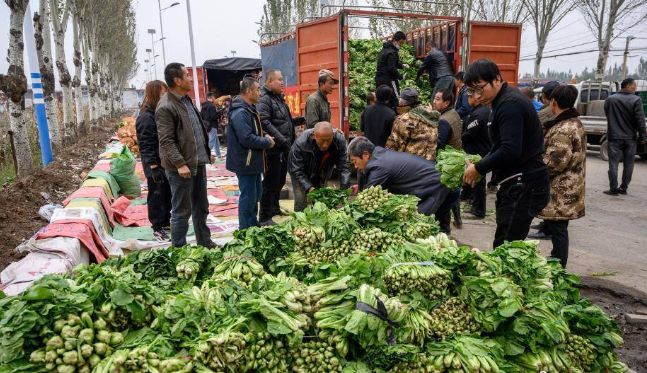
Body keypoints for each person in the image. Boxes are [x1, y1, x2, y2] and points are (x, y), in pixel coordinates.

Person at [462, 59, 550, 249]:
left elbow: (510, 150)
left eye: (479, 89)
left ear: (496, 80)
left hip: (525, 183)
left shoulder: (510, 104)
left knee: (506, 246)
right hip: (517, 182)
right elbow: (499, 145)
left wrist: (478, 168)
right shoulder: (499, 102)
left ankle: (509, 279)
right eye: (472, 91)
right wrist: (480, 165)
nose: (476, 97)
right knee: (506, 238)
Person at [156, 63, 218, 248]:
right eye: (187, 75)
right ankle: (179, 250)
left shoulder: (186, 100)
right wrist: (180, 164)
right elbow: (166, 141)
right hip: (180, 169)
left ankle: (204, 242)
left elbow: (195, 130)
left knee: (201, 207)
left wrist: (205, 153)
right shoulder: (166, 106)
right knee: (182, 211)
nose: (190, 78)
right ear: (177, 80)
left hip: (197, 163)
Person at [532, 84, 586, 267]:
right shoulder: (574, 123)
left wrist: (535, 169)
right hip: (569, 184)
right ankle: (556, 258)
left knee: (559, 228)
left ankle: (559, 264)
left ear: (553, 102)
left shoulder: (564, 129)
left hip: (562, 188)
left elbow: (555, 163)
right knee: (558, 227)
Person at [349, 136, 460, 221]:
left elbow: (366, 199)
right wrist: (360, 187)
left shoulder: (378, 166)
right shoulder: (380, 156)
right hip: (439, 182)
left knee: (419, 223)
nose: (355, 167)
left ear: (366, 154)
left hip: (437, 186)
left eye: (354, 161)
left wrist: (348, 213)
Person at [257, 69, 306, 225]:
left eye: (282, 79)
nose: (282, 82)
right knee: (270, 183)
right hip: (273, 150)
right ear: (269, 82)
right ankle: (265, 216)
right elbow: (265, 122)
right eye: (279, 79)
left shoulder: (278, 98)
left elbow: (283, 121)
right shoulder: (265, 99)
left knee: (278, 182)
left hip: (283, 148)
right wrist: (281, 140)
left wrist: (298, 120)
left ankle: (275, 207)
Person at [227, 77, 276, 229]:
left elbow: (253, 133)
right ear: (248, 91)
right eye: (257, 89)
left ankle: (253, 224)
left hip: (253, 162)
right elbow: (246, 138)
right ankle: (245, 229)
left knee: (255, 195)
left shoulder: (250, 109)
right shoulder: (240, 112)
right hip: (245, 162)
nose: (259, 93)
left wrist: (264, 136)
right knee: (248, 197)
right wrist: (267, 142)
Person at [136, 80, 172, 243]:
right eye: (163, 93)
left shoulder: (158, 112)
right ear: (154, 94)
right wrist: (153, 166)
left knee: (166, 194)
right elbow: (146, 144)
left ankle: (165, 222)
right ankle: (157, 228)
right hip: (155, 165)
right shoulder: (146, 117)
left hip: (164, 163)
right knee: (157, 195)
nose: (165, 96)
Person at [288, 121, 352, 212]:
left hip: (321, 172)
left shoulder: (339, 141)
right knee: (301, 200)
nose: (325, 144)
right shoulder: (301, 143)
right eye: (322, 140)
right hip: (300, 174)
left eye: (328, 140)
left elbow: (344, 166)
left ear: (332, 136)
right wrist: (309, 187)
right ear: (314, 135)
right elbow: (296, 170)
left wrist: (344, 187)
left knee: (320, 201)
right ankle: (299, 222)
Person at [603, 77, 647, 195]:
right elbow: (640, 121)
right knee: (629, 164)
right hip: (630, 138)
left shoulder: (610, 99)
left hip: (614, 136)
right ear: (628, 86)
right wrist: (644, 137)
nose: (635, 88)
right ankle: (624, 188)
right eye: (634, 86)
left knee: (613, 163)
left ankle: (613, 189)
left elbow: (608, 114)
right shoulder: (636, 100)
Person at [385, 87, 440, 161]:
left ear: (401, 102)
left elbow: (393, 146)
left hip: (409, 166)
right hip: (428, 166)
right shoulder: (430, 117)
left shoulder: (403, 119)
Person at [461, 91, 492, 218]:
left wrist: (461, 136)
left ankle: (479, 211)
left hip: (478, 151)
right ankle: (472, 202)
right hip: (482, 149)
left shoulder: (479, 114)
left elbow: (468, 134)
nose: (468, 99)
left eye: (470, 96)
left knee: (478, 180)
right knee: (474, 179)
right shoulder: (483, 110)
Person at [375, 31, 407, 108]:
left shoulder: (385, 49)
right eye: (400, 43)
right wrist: (401, 77)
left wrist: (402, 65)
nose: (401, 45)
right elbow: (391, 68)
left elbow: (390, 63)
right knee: (395, 99)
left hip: (379, 79)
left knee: (382, 100)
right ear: (395, 41)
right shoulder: (392, 52)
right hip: (389, 80)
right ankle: (394, 117)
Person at [201, 92, 225, 159]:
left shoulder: (203, 106)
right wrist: (219, 113)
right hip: (212, 125)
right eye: (214, 97)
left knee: (216, 141)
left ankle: (218, 155)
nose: (215, 99)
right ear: (211, 98)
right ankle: (205, 154)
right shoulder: (212, 106)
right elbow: (213, 116)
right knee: (212, 141)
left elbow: (201, 116)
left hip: (207, 125)